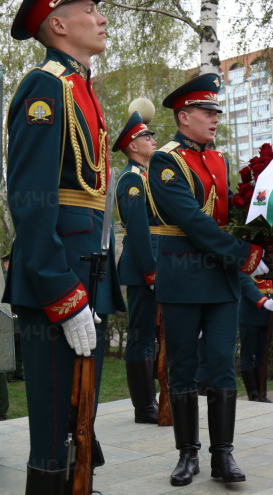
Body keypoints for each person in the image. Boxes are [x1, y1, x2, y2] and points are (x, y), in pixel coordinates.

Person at [2, 0, 126, 491]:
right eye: (89, 10)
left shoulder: (82, 89)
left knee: (81, 413)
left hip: (87, 273)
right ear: (57, 25)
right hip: (60, 280)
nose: (100, 19)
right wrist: (63, 293)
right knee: (55, 424)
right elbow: (31, 204)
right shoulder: (45, 87)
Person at [146, 73, 267, 486]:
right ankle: (187, 455)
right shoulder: (165, 160)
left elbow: (228, 214)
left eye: (216, 111)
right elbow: (191, 220)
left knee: (220, 366)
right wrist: (240, 253)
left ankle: (223, 456)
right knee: (181, 369)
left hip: (220, 281)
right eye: (207, 111)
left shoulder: (218, 159)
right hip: (182, 277)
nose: (215, 118)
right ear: (184, 116)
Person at [113, 111, 159, 424]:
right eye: (147, 137)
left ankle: (153, 398)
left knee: (153, 336)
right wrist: (152, 272)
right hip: (145, 270)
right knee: (141, 336)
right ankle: (144, 407)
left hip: (157, 265)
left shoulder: (147, 176)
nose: (153, 141)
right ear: (132, 145)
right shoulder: (131, 179)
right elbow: (140, 229)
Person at [237, 273, 273, 402]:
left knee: (263, 356)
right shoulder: (247, 264)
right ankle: (253, 396)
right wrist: (263, 301)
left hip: (266, 315)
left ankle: (262, 394)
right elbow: (247, 285)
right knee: (248, 356)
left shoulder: (268, 266)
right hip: (250, 316)